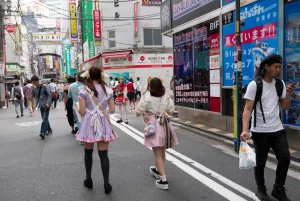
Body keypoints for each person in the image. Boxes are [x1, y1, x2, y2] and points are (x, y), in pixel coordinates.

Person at [241, 54, 296, 201]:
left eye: (279, 67)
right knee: (260, 162)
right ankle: (261, 189)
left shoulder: (280, 84)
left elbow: (285, 106)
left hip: (277, 129)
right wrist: (245, 129)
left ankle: (278, 188)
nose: (278, 70)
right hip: (260, 131)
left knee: (285, 158)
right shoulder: (254, 85)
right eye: (275, 67)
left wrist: (289, 94)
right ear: (266, 66)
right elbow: (247, 109)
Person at [76, 66, 117, 194]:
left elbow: (82, 112)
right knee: (104, 155)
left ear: (88, 76)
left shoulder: (84, 90)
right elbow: (112, 110)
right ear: (100, 76)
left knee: (88, 153)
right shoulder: (108, 90)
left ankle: (89, 179)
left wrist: (78, 106)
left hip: (89, 123)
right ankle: (106, 184)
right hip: (103, 122)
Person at [136, 77, 178, 190]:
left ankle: (163, 180)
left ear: (150, 87)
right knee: (162, 151)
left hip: (154, 127)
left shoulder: (147, 99)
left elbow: (137, 112)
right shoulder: (166, 97)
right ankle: (159, 170)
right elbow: (171, 111)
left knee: (157, 154)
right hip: (165, 125)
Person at [31, 75, 53, 140]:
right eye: (33, 82)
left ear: (38, 81)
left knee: (44, 118)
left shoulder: (45, 86)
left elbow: (49, 96)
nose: (34, 84)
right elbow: (37, 98)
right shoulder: (35, 88)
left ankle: (42, 132)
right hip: (41, 105)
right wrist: (35, 105)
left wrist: (48, 103)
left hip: (46, 105)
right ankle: (49, 129)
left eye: (35, 82)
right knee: (44, 118)